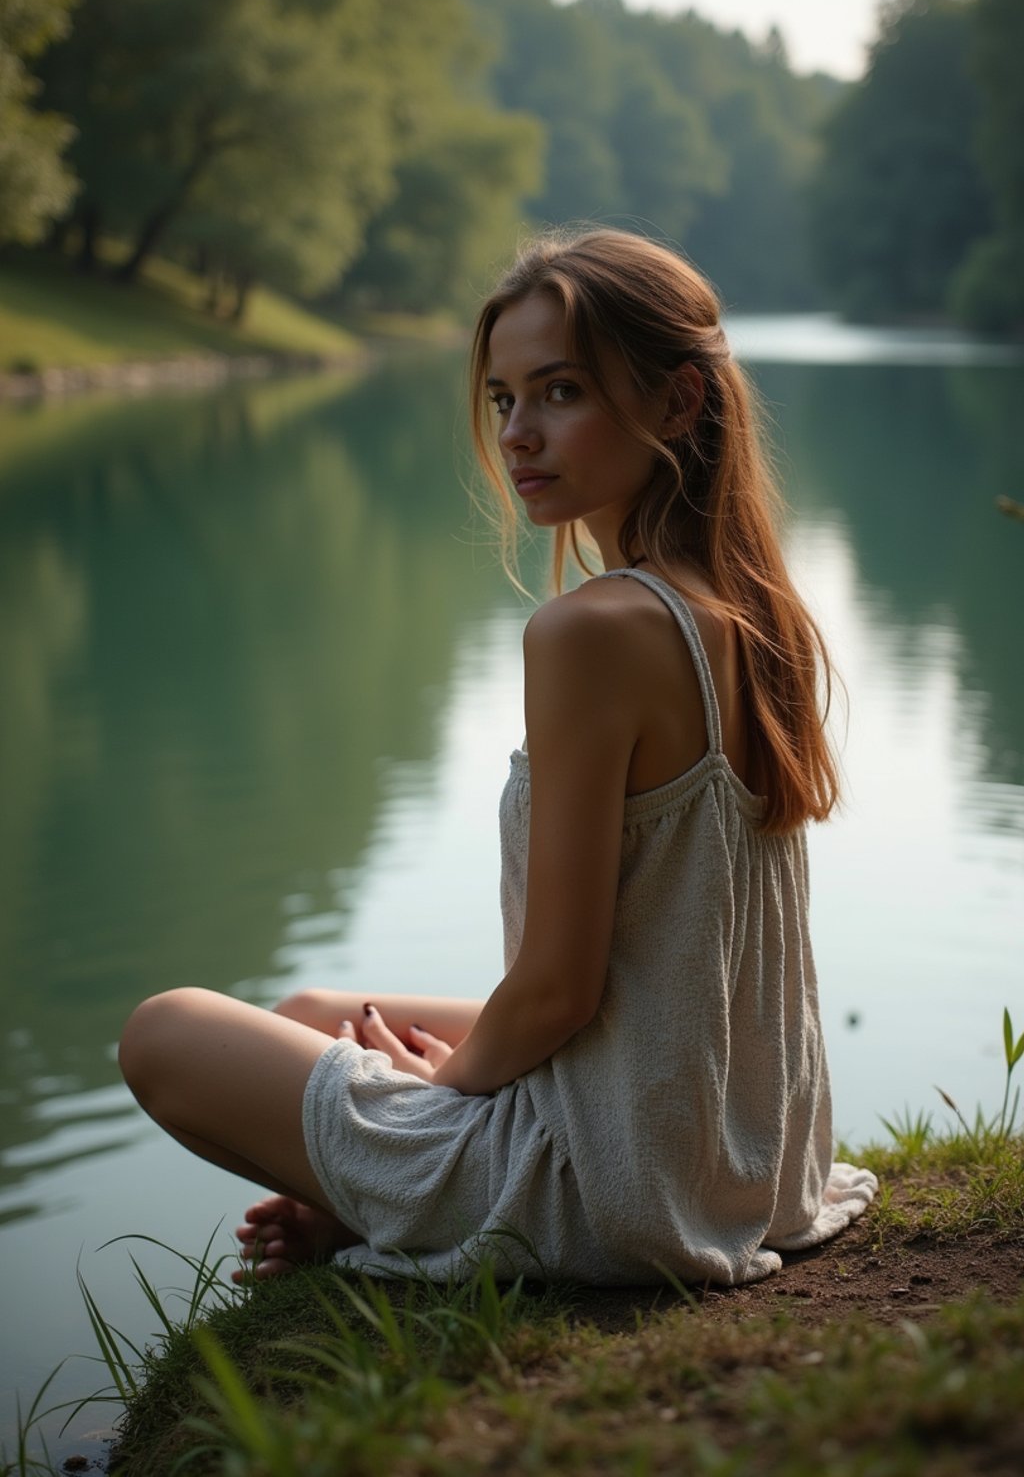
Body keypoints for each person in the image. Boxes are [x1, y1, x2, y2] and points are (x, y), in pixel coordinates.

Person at [119, 227, 877, 1287]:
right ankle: (372, 1201)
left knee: (163, 1034)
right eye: (502, 400)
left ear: (677, 403)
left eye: (559, 392)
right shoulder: (755, 613)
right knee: (307, 1021)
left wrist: (449, 1092)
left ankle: (388, 1208)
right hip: (750, 1155)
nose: (519, 434)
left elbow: (558, 990)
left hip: (614, 1188)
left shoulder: (591, 631)